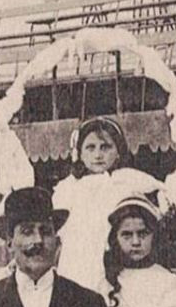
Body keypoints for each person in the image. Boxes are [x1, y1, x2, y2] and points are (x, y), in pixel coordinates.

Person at [51, 117, 159, 288]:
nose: (98, 155)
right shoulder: (68, 189)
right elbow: (56, 234)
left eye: (105, 147)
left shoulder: (127, 182)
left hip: (112, 263)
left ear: (118, 152)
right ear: (79, 153)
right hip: (75, 262)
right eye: (90, 148)